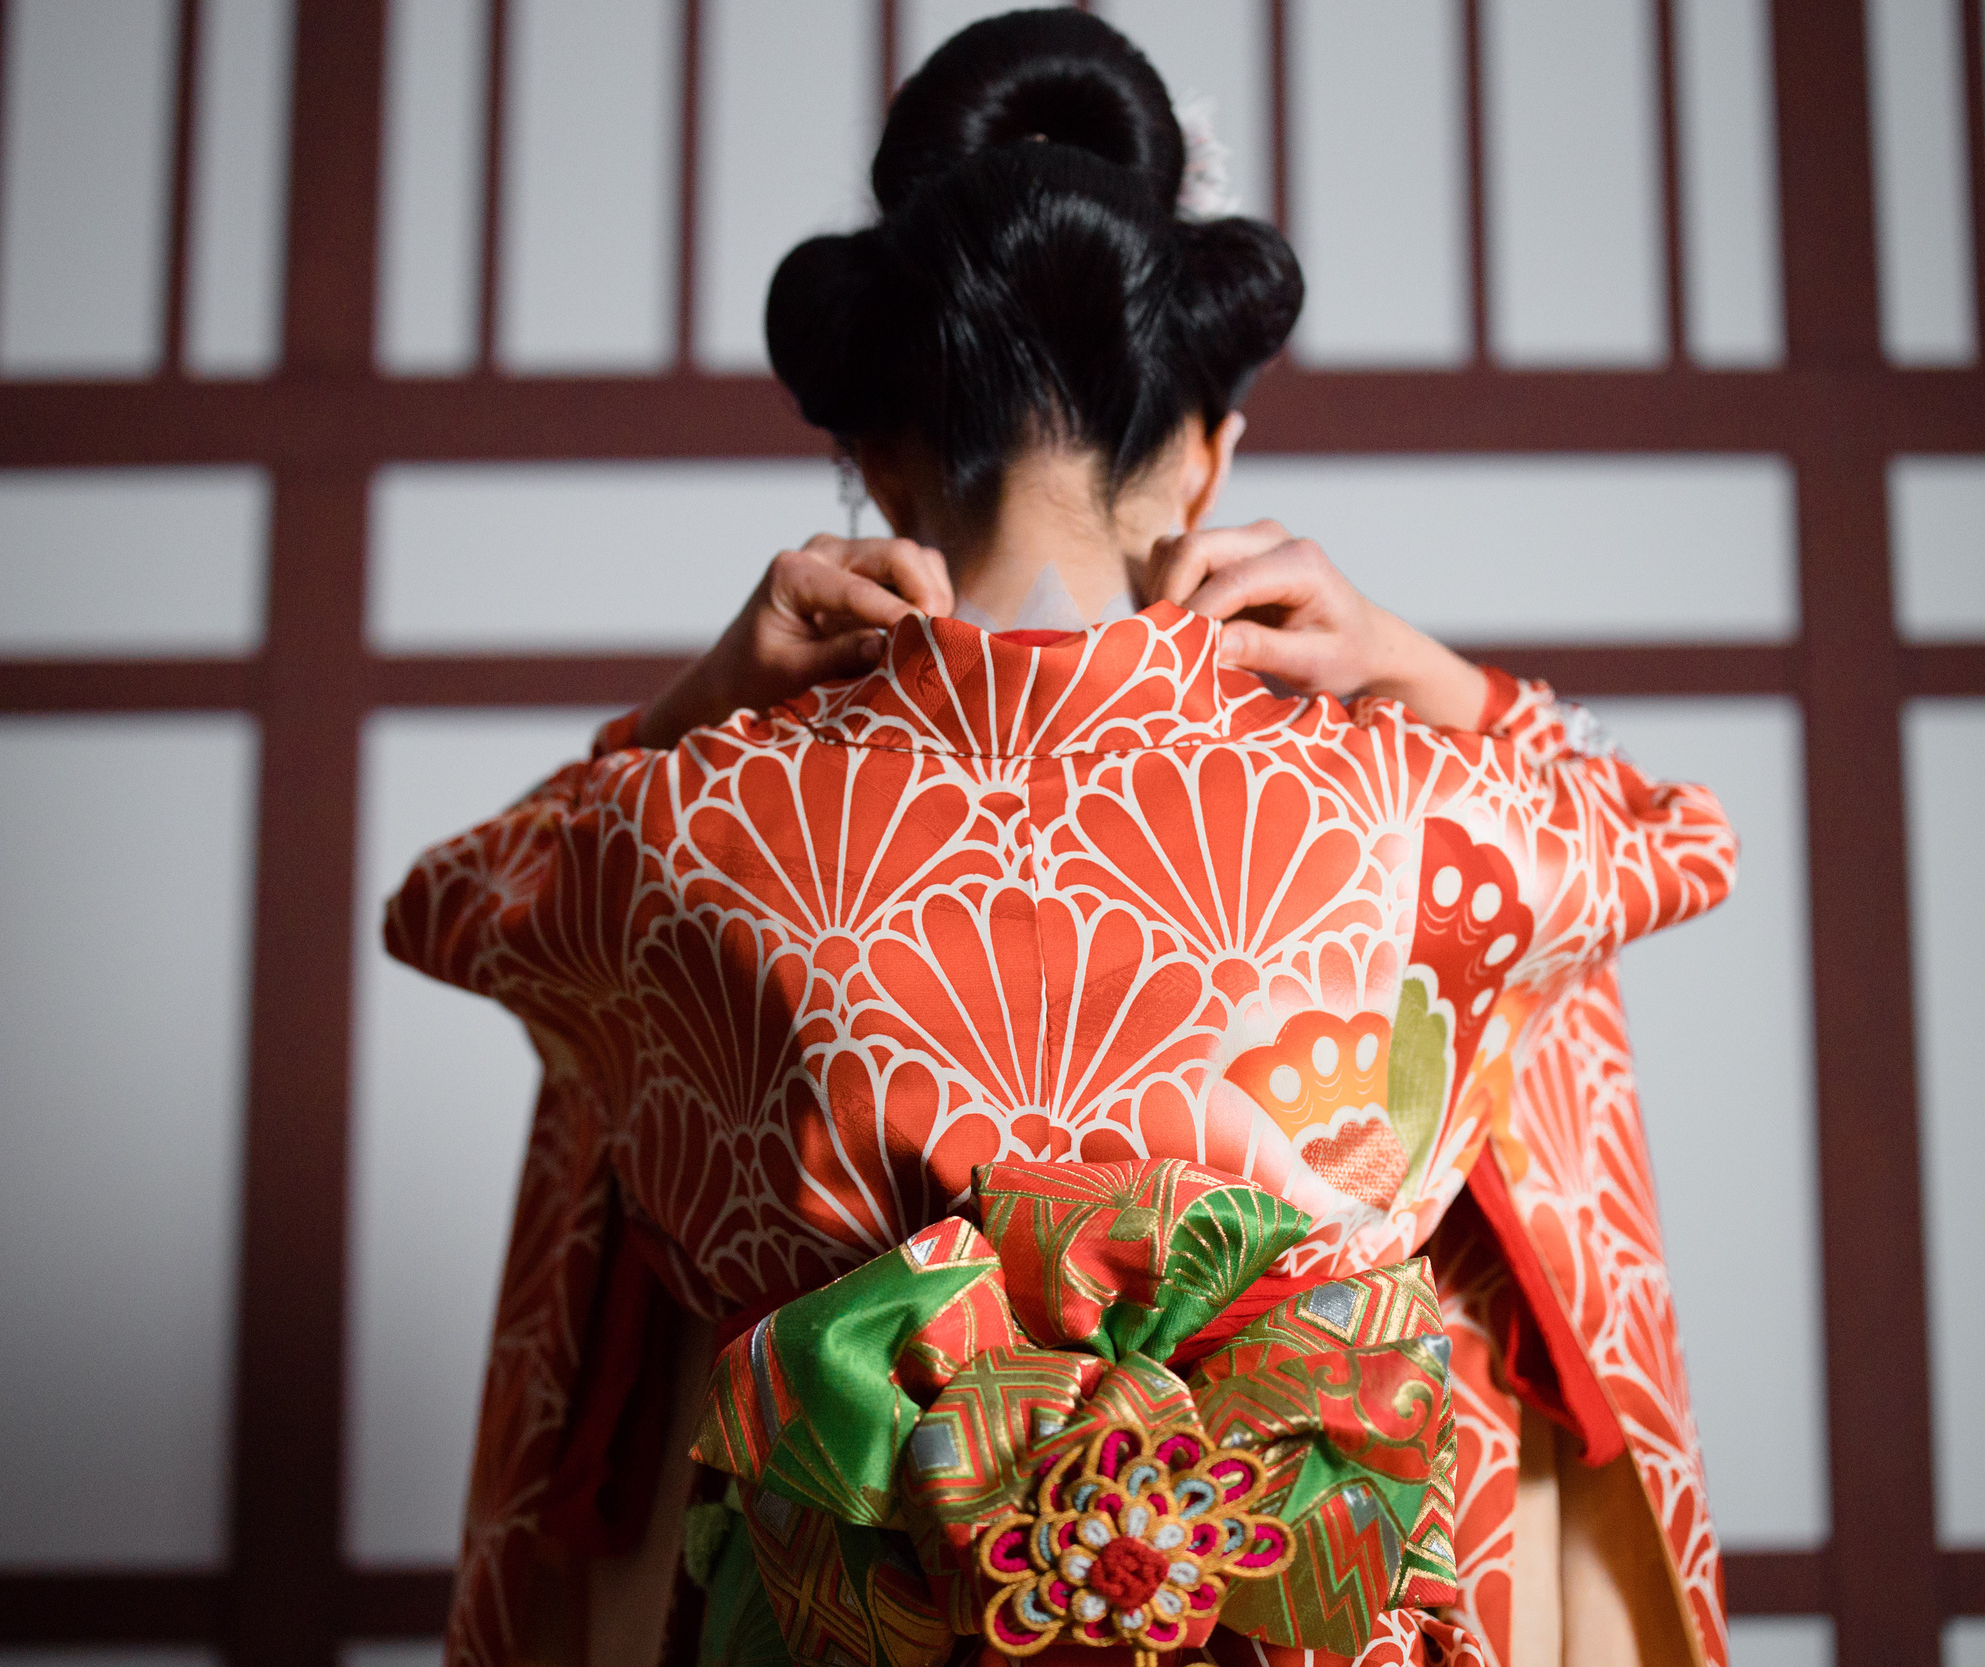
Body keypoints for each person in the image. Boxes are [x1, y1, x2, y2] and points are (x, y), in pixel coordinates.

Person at [387, 12, 1736, 1666]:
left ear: (875, 461)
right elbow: (1678, 841)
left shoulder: (698, 824)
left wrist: (699, 697)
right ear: (1208, 448)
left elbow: (451, 902)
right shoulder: (1408, 804)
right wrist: (1420, 669)